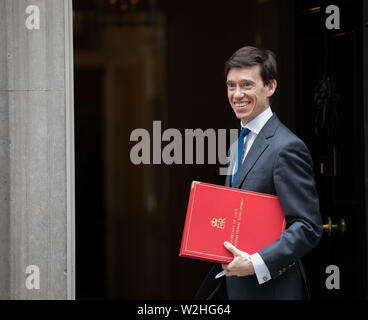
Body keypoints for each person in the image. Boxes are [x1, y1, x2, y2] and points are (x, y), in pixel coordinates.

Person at [195, 46, 323, 300]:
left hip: (273, 291)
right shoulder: (236, 145)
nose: (237, 94)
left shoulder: (287, 147)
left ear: (270, 87)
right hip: (237, 289)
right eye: (231, 86)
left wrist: (255, 263)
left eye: (247, 85)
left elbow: (308, 227)